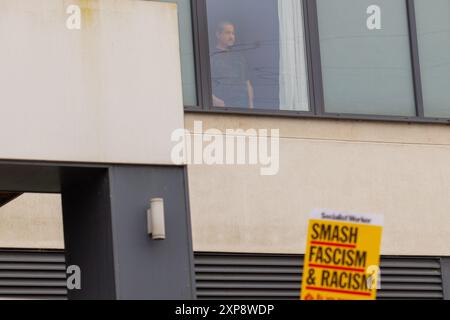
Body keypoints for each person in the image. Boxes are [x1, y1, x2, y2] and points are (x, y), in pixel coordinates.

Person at [210, 22, 254, 108]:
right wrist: (214, 99)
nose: (231, 37)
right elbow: (203, 84)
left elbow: (247, 82)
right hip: (222, 106)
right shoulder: (211, 56)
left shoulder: (239, 57)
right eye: (227, 33)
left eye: (233, 33)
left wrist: (251, 105)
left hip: (242, 106)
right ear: (218, 35)